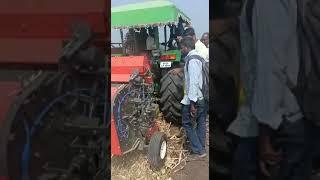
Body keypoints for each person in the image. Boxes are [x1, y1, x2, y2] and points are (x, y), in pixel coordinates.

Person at [228, 0, 311, 180]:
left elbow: (270, 68)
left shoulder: (267, 3)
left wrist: (265, 136)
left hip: (276, 125)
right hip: (279, 119)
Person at [180, 37, 208, 158]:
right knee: (201, 121)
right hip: (202, 97)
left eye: (181, 48)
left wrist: (192, 103)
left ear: (186, 47)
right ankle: (201, 146)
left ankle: (198, 150)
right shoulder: (200, 58)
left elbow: (194, 82)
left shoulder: (191, 60)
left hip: (194, 98)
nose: (181, 50)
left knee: (187, 123)